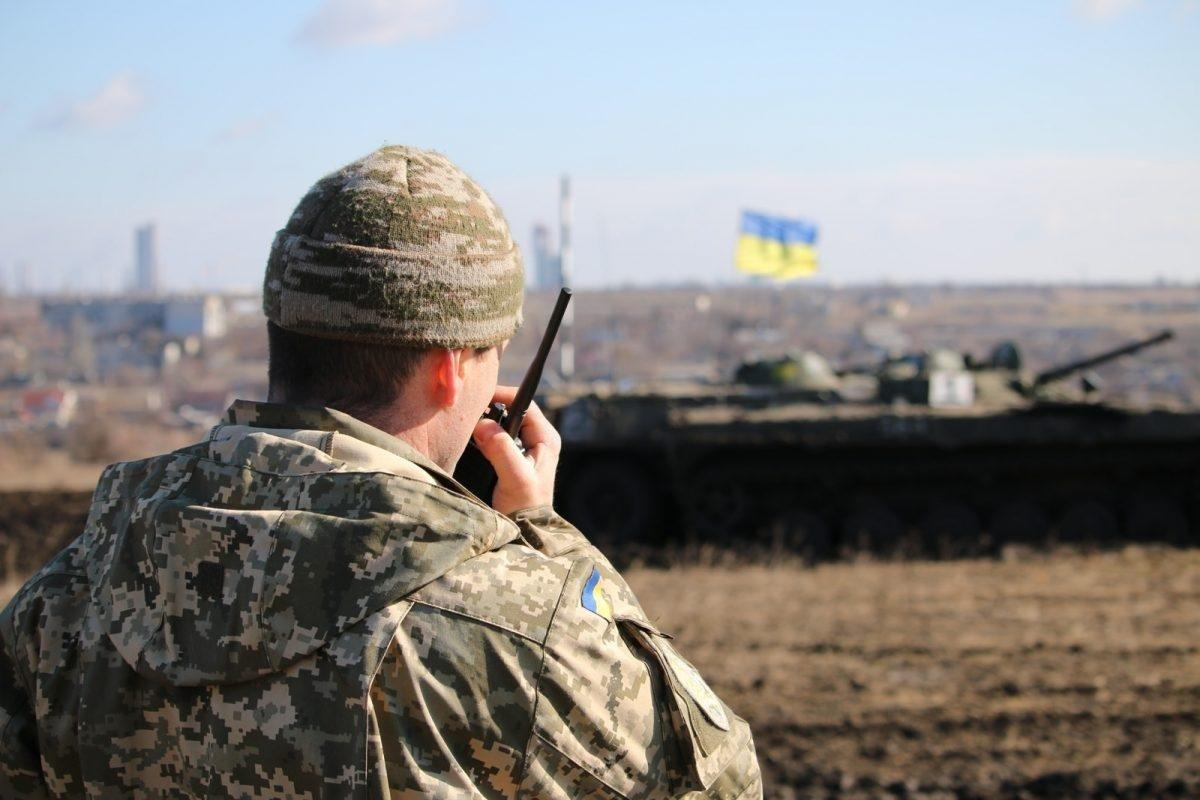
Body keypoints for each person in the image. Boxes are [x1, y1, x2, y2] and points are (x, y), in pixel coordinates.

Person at [0, 145, 761, 798]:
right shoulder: (518, 624)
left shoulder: (63, 599)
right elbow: (720, 783)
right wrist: (547, 542)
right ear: (450, 368)